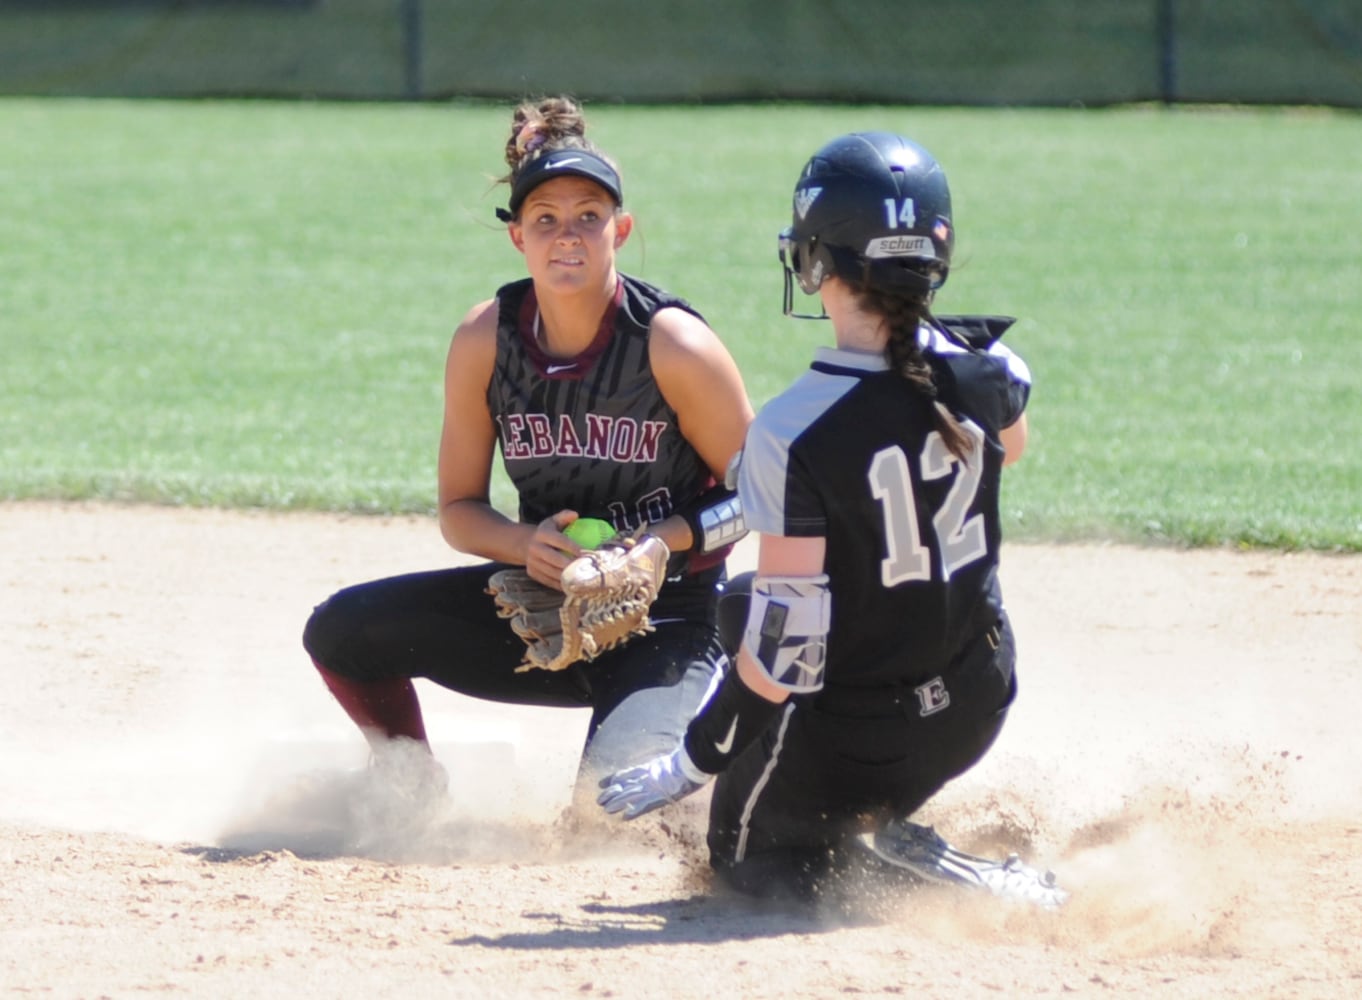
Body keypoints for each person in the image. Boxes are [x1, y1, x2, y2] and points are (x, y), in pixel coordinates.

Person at [597, 131, 1062, 906]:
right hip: (981, 690)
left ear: (815, 263)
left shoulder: (791, 428)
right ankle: (880, 810)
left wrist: (692, 759)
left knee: (750, 867)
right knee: (745, 602)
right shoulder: (994, 367)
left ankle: (957, 880)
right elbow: (1007, 446)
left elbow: (786, 658)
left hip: (872, 731)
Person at [302, 96, 753, 806]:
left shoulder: (672, 345)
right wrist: (523, 545)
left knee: (610, 819)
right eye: (545, 219)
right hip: (543, 609)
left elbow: (764, 495)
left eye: (588, 217)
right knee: (342, 631)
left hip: (666, 620)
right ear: (518, 237)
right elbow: (458, 510)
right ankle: (409, 783)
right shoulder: (487, 339)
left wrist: (658, 545)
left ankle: (726, 752)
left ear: (621, 231)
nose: (566, 235)